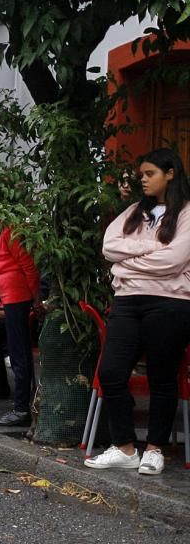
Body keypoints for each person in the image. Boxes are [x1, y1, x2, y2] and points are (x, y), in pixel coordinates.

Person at [85, 149, 190, 475]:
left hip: (171, 303)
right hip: (128, 301)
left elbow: (174, 260)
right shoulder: (132, 212)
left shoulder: (186, 213)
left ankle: (155, 449)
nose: (142, 180)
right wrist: (153, 249)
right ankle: (126, 447)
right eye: (141, 174)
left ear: (170, 173)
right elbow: (108, 247)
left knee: (162, 376)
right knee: (111, 372)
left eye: (149, 174)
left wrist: (129, 264)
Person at [0, 226, 40, 427]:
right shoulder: (6, 232)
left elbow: (27, 265)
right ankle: (21, 406)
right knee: (18, 352)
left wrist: (35, 297)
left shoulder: (11, 232)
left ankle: (21, 408)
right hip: (13, 294)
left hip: (17, 295)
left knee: (19, 353)